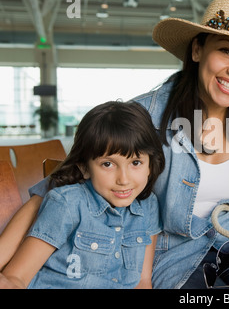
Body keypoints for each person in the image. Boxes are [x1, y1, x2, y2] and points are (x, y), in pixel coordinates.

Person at [0, 0, 229, 289]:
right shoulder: (145, 115)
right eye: (226, 50)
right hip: (173, 256)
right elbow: (56, 189)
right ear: (198, 49)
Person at [0, 101, 165, 288]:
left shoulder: (149, 205)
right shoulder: (67, 203)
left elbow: (143, 281)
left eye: (135, 163)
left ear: (151, 165)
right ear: (84, 168)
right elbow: (17, 278)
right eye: (108, 164)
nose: (124, 179)